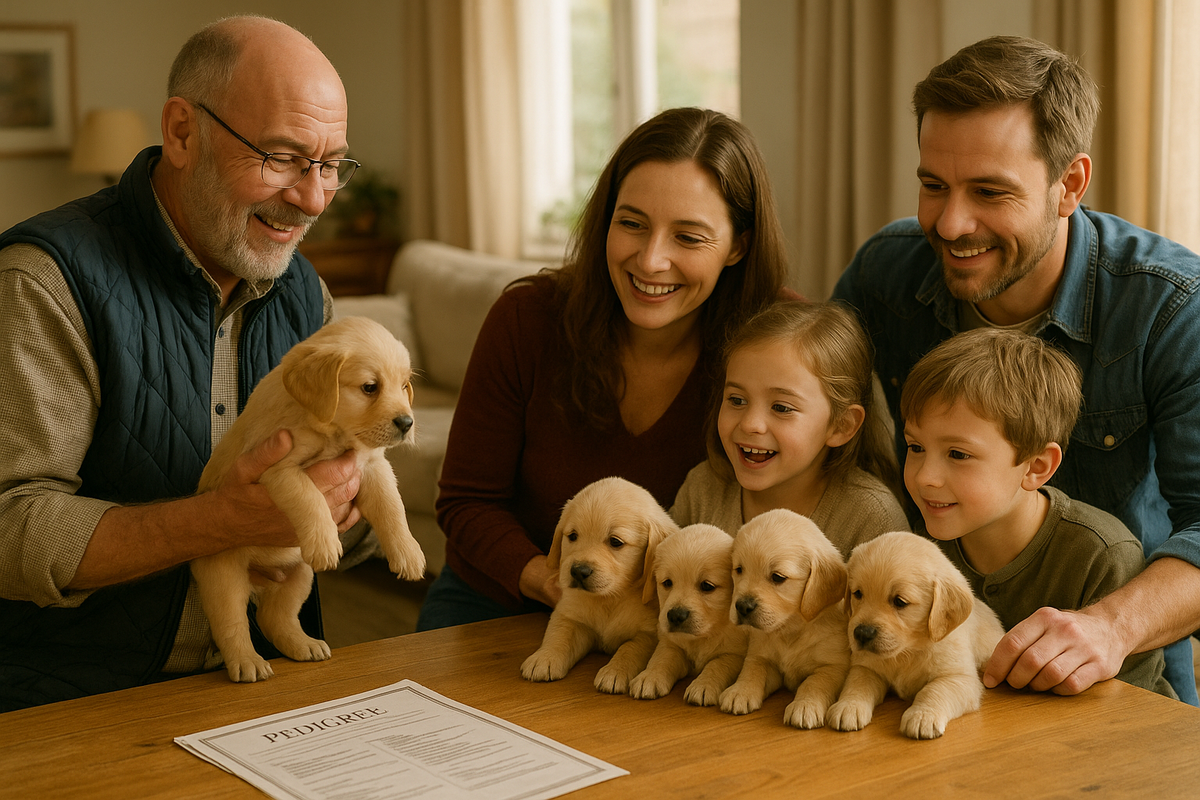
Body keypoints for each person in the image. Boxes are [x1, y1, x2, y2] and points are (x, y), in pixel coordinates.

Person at [0, 16, 366, 711]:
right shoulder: (45, 281)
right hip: (72, 698)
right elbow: (9, 526)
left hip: (270, 684)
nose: (314, 199)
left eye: (330, 166)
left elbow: (346, 509)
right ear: (181, 132)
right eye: (282, 157)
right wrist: (225, 520)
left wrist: (347, 499)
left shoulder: (305, 292)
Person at [833, 35, 1200, 704]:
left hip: (1110, 679)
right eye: (933, 186)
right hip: (910, 666)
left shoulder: (1171, 308)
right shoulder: (885, 273)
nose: (951, 224)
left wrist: (1110, 626)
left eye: (990, 191)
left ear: (1070, 185)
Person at [417, 108, 790, 630]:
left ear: (738, 246)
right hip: (501, 600)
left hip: (678, 623)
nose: (651, 260)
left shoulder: (782, 344)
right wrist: (554, 582)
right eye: (631, 224)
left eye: (688, 237)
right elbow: (467, 502)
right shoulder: (526, 319)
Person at [901, 329, 1174, 698]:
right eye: (915, 447)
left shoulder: (1102, 556)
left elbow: (1126, 708)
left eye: (958, 454)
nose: (925, 477)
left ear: (1036, 467)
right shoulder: (918, 544)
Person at [670, 300, 908, 556]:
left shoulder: (873, 519)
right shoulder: (703, 490)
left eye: (781, 408)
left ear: (841, 425)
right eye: (737, 400)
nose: (750, 424)